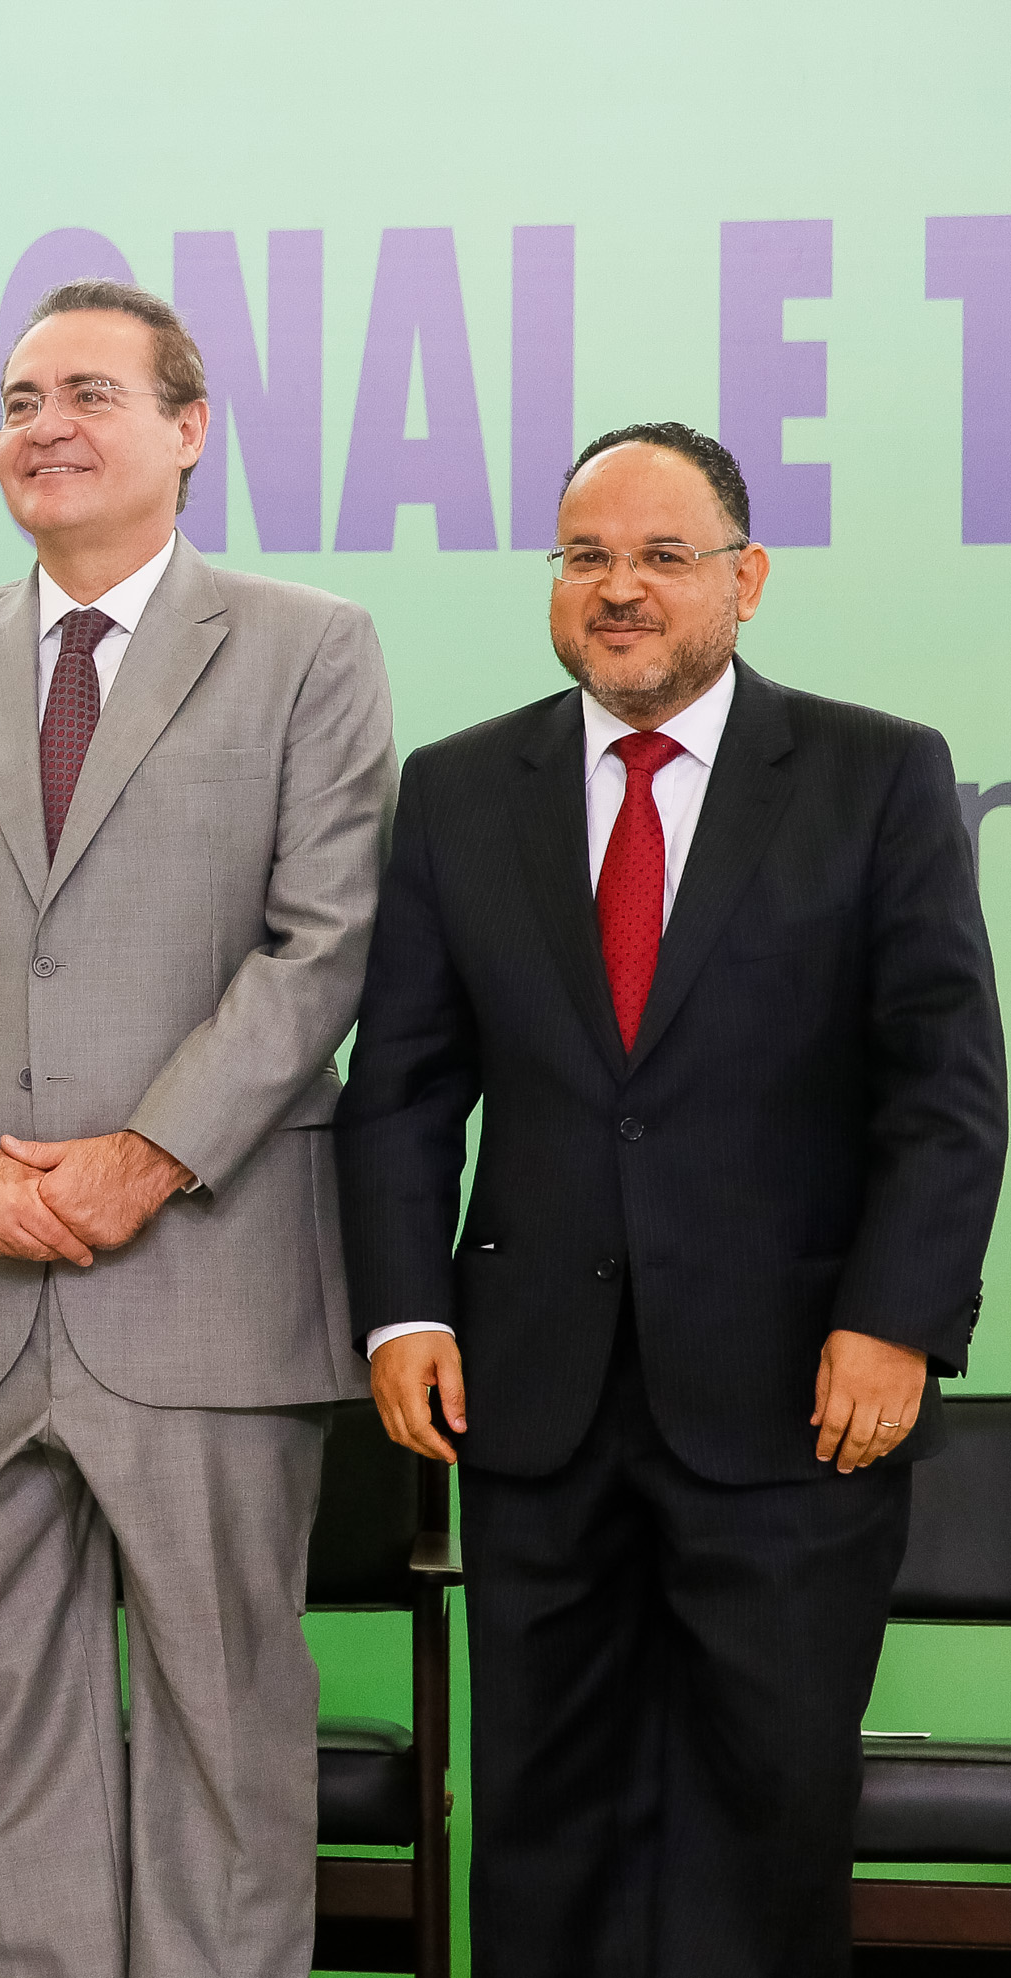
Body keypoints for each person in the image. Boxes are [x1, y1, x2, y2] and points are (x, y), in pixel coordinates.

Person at [337, 422, 1008, 1976]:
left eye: (659, 555)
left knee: (762, 1815)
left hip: (795, 1400)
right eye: (584, 557)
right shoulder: (458, 787)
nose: (617, 587)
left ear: (744, 579)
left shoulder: (873, 773)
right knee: (540, 1817)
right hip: (528, 1401)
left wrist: (895, 1320)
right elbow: (403, 1086)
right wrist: (401, 1309)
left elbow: (943, 1086)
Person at [0, 278, 396, 1978]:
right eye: (16, 401)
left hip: (207, 1278)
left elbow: (323, 941)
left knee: (223, 1723)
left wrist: (145, 1158)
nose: (43, 427)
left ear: (187, 428)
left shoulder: (306, 645)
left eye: (86, 393)